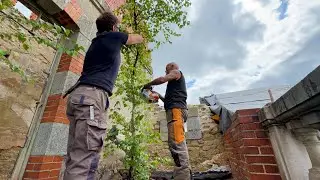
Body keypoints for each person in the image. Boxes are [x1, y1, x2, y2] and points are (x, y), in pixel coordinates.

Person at [63, 12, 144, 180]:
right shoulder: (114, 37)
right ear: (114, 27)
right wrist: (126, 28)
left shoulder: (96, 43)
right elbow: (139, 38)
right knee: (85, 159)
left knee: (76, 156)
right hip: (93, 97)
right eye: (118, 26)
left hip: (79, 96)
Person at [143, 62, 191, 180]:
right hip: (175, 111)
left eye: (166, 70)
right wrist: (159, 95)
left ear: (171, 68)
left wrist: (147, 85)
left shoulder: (176, 72)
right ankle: (183, 174)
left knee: (177, 143)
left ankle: (182, 177)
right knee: (175, 142)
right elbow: (169, 101)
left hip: (176, 112)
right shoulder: (175, 85)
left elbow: (161, 79)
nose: (166, 73)